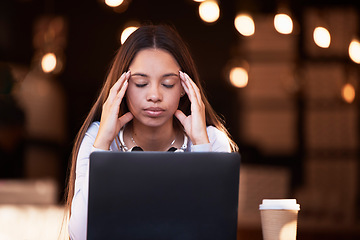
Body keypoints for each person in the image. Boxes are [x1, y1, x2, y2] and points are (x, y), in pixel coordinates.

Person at [65, 24, 238, 239]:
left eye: (167, 84)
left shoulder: (211, 140)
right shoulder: (98, 137)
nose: (154, 95)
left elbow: (216, 233)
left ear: (185, 86)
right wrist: (102, 145)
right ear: (123, 86)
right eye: (140, 83)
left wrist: (201, 146)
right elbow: (80, 233)